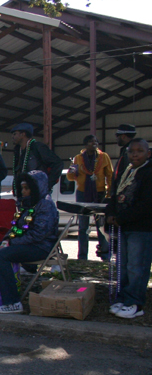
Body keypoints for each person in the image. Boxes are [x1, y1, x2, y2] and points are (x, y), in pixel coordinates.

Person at [0, 171, 60, 314]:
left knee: (2, 255)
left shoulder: (46, 205)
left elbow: (39, 235)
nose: (23, 191)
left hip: (40, 247)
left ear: (36, 188)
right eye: (22, 188)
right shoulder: (27, 203)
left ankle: (12, 302)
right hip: (24, 243)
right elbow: (16, 227)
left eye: (27, 188)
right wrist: (7, 239)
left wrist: (12, 243)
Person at [105, 138, 152, 320]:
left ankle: (135, 303)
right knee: (123, 265)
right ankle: (124, 298)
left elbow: (147, 204)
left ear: (148, 154)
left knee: (137, 266)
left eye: (139, 151)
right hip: (123, 227)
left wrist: (122, 218)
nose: (134, 154)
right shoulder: (127, 171)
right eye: (131, 151)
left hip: (141, 228)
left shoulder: (148, 173)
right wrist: (110, 213)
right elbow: (115, 195)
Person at [66, 135, 113, 261]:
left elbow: (110, 175)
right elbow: (70, 177)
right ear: (85, 144)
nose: (94, 143)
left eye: (96, 141)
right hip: (83, 193)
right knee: (83, 227)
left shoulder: (104, 157)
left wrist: (110, 193)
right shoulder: (78, 158)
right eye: (91, 142)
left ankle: (105, 255)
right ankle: (82, 257)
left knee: (101, 226)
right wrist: (72, 172)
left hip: (100, 194)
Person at [10, 123, 63, 195]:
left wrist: (47, 184)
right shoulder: (18, 151)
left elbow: (58, 163)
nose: (12, 137)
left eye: (14, 134)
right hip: (24, 193)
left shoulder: (37, 147)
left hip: (38, 193)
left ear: (23, 134)